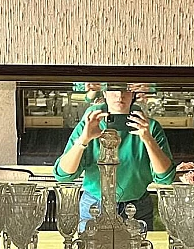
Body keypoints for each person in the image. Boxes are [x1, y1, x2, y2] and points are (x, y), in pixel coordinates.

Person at [54, 84, 176, 229]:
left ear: (133, 94)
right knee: (91, 245)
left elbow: (165, 177)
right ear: (104, 93)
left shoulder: (150, 127)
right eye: (113, 89)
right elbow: (63, 175)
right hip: (95, 205)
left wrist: (147, 139)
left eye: (125, 89)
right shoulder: (89, 125)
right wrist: (84, 139)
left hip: (137, 207)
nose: (119, 95)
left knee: (139, 245)